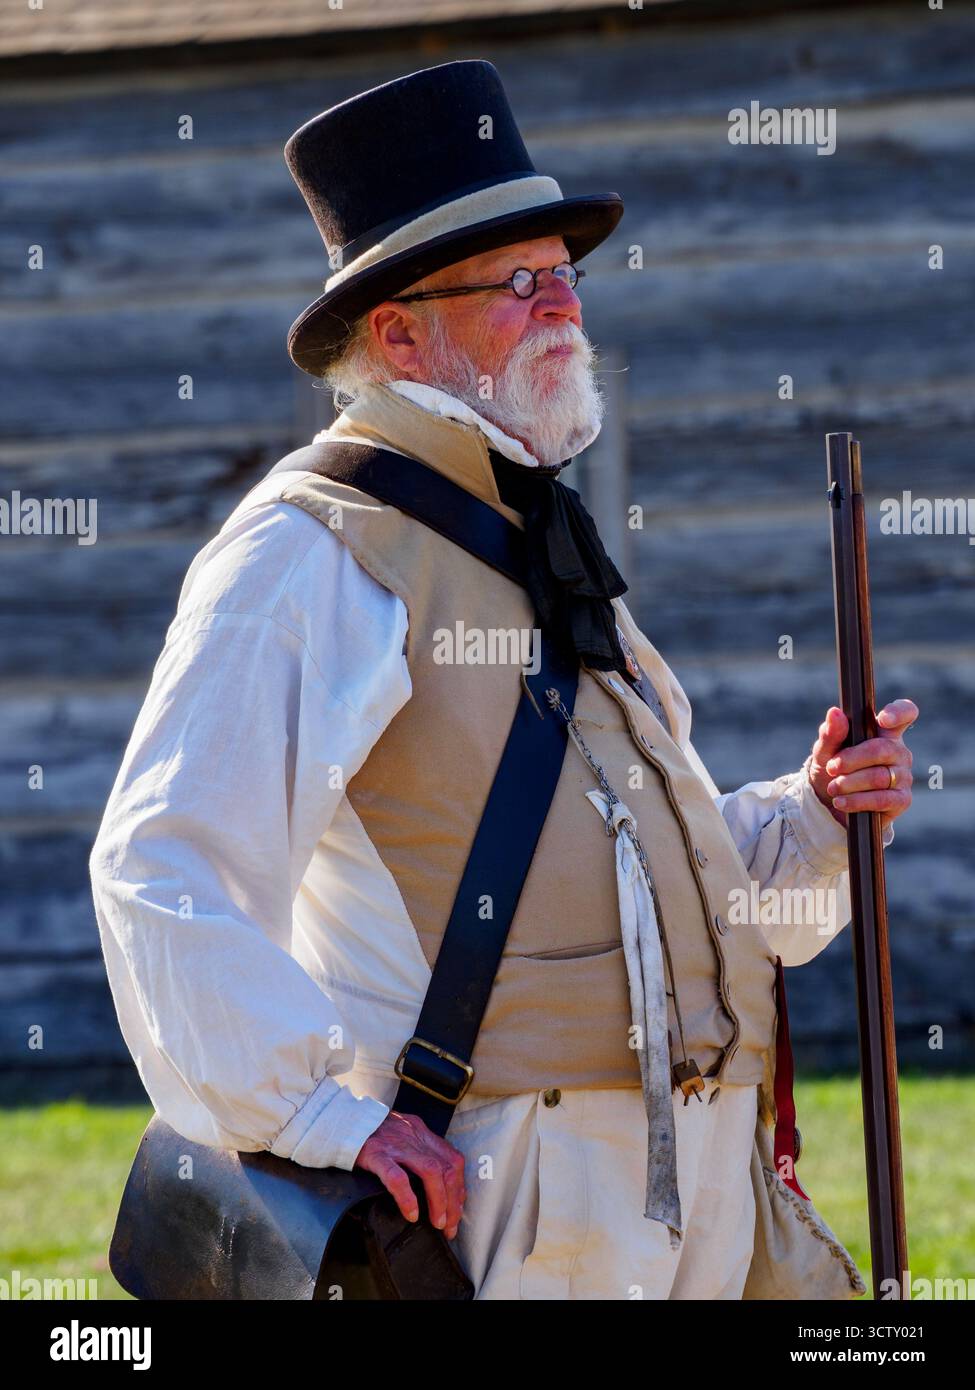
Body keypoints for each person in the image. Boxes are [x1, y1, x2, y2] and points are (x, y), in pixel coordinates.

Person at [90, 60, 917, 1300]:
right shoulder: (304, 547)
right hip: (508, 1194)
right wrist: (327, 1119)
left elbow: (650, 894)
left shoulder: (539, 542)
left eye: (564, 278)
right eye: (516, 285)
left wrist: (812, 813)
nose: (563, 311)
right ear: (401, 332)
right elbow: (160, 866)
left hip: (695, 1188)